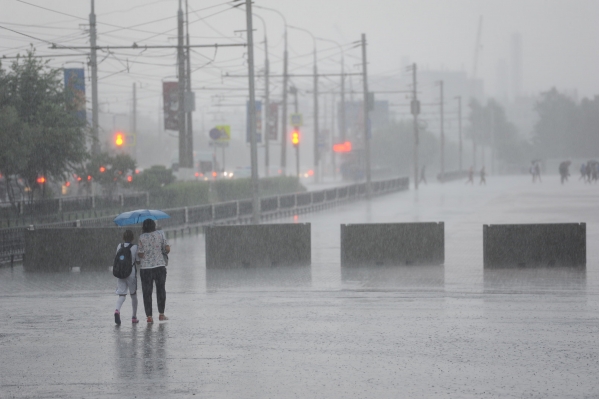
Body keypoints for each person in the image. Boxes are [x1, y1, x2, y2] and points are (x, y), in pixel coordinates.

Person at [138, 218, 170, 323]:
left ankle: (149, 317)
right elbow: (167, 249)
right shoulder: (160, 234)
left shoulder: (141, 237)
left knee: (147, 292)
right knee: (161, 290)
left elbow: (141, 254)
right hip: (159, 266)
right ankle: (161, 314)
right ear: (154, 225)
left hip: (146, 269)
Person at [113, 229, 139, 325]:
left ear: (123, 237)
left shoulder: (119, 246)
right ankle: (134, 317)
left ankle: (117, 310)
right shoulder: (135, 247)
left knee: (122, 295)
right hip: (131, 274)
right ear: (132, 238)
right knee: (133, 295)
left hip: (120, 273)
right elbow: (138, 261)